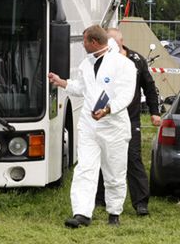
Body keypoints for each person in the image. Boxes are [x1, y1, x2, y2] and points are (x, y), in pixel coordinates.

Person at [48, 25, 136, 228]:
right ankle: (81, 213)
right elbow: (82, 88)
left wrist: (108, 109)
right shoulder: (87, 64)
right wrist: (62, 82)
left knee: (114, 172)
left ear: (94, 42)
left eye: (84, 41)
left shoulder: (123, 65)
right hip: (89, 127)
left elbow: (126, 94)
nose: (83, 44)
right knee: (85, 169)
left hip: (113, 128)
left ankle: (114, 213)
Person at [95, 28, 161, 216]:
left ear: (120, 42)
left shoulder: (137, 60)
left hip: (130, 119)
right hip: (104, 118)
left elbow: (149, 87)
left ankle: (140, 202)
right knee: (104, 157)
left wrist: (155, 112)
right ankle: (100, 199)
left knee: (133, 158)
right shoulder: (102, 60)